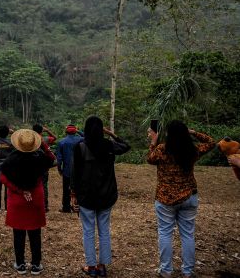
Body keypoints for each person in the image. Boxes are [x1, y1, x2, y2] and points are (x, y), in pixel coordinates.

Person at [147, 121, 216, 278]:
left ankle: (165, 271)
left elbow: (149, 159)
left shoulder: (162, 149)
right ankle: (188, 271)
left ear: (169, 134)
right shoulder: (192, 150)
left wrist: (154, 140)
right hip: (188, 196)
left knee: (165, 233)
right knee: (187, 235)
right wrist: (192, 132)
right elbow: (211, 142)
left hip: (165, 198)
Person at [71, 116, 130, 277]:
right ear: (101, 129)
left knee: (88, 231)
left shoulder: (80, 147)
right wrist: (111, 134)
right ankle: (102, 266)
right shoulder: (109, 145)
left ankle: (91, 267)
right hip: (107, 195)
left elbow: (75, 173)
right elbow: (126, 146)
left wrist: (73, 194)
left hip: (86, 196)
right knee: (104, 231)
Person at [0, 129, 56, 275]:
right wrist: (44, 145)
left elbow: (3, 178)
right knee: (35, 232)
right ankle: (36, 264)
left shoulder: (11, 159)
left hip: (17, 198)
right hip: (35, 196)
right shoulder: (40, 157)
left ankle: (20, 264)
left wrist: (19, 190)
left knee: (18, 233)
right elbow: (52, 159)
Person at [56, 124, 83, 213]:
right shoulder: (81, 140)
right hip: (79, 170)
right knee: (79, 187)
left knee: (66, 189)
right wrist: (78, 131)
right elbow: (87, 136)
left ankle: (66, 208)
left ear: (66, 132)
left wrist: (59, 169)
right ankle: (78, 206)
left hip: (67, 170)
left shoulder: (61, 142)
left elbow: (59, 159)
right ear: (75, 132)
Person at [32, 124, 56, 212]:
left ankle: (34, 204)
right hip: (43, 165)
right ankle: (45, 206)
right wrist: (48, 130)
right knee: (44, 185)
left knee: (33, 185)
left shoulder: (30, 139)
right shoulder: (45, 139)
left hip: (32, 165)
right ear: (42, 131)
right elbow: (55, 138)